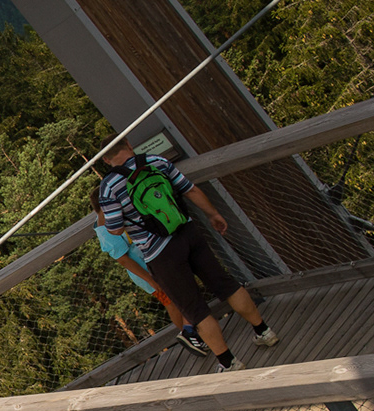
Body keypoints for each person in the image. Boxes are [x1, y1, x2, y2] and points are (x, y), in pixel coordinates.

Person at [96, 137, 280, 372]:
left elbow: (116, 229)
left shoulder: (109, 186)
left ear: (105, 159)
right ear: (129, 145)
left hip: (160, 253)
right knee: (226, 285)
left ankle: (229, 363)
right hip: (188, 232)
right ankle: (264, 331)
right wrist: (213, 214)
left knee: (194, 309)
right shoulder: (156, 161)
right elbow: (189, 189)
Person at [92, 183, 210, 357]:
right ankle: (190, 333)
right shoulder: (105, 231)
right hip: (146, 272)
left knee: (182, 294)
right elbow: (124, 260)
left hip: (156, 263)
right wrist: (150, 279)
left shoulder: (113, 220)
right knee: (171, 301)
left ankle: (192, 331)